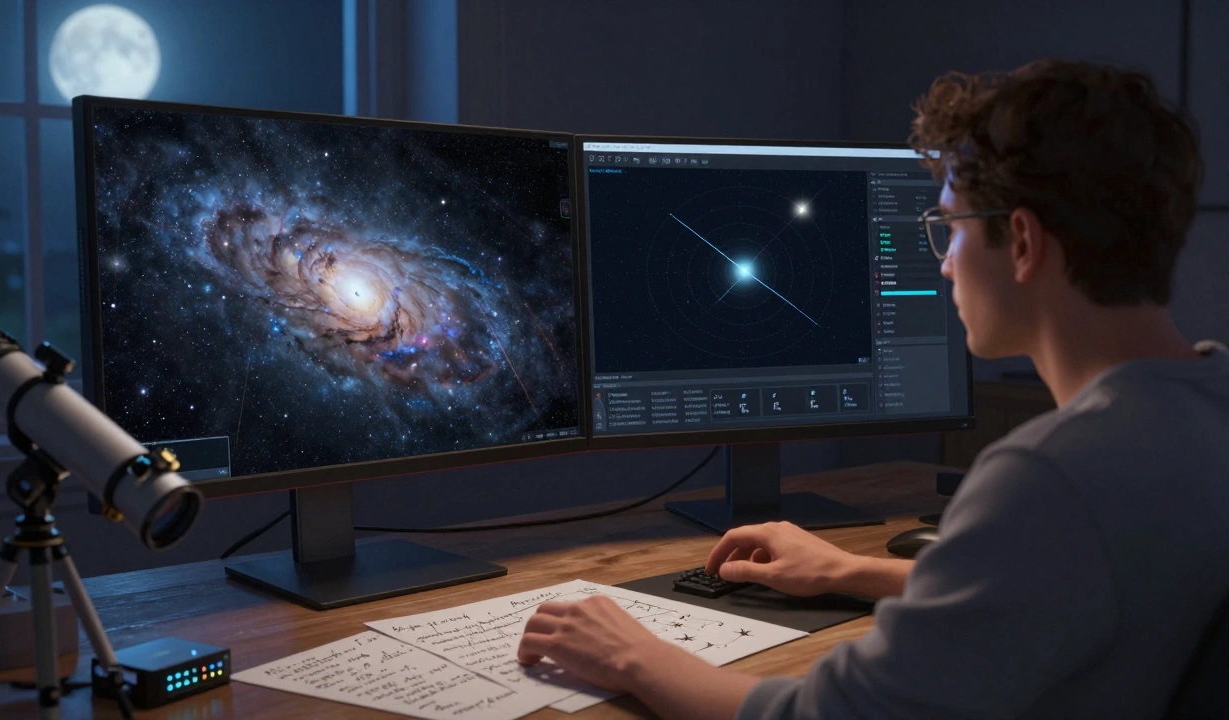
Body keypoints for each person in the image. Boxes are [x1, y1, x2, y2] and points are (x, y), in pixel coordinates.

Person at [517, 58, 1229, 719]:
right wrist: (851, 570)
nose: (944, 263)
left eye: (948, 226)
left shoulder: (1050, 477)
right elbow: (1065, 587)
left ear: (1020, 242)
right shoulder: (1204, 406)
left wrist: (631, 655)